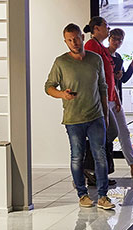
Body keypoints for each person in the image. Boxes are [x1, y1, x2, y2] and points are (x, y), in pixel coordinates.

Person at [44, 23, 115, 210]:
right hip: (73, 118)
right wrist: (62, 94)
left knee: (100, 155)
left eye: (76, 38)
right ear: (65, 41)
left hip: (96, 116)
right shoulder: (61, 62)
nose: (73, 42)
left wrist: (105, 115)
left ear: (82, 37)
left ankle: (103, 196)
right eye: (69, 40)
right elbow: (49, 87)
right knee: (77, 156)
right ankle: (82, 195)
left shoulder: (96, 59)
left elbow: (102, 87)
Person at [84, 16, 133, 178]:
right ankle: (94, 170)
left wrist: (116, 99)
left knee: (121, 131)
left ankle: (132, 166)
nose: (108, 29)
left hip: (111, 98)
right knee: (107, 134)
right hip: (102, 100)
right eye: (107, 27)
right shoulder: (93, 46)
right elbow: (94, 75)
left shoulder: (106, 52)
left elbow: (114, 80)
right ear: (97, 29)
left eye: (119, 39)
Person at [107, 28, 133, 103]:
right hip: (106, 96)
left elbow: (124, 79)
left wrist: (132, 66)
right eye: (114, 39)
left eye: (120, 40)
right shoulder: (104, 55)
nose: (117, 42)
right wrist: (113, 76)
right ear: (109, 39)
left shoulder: (118, 56)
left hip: (116, 95)